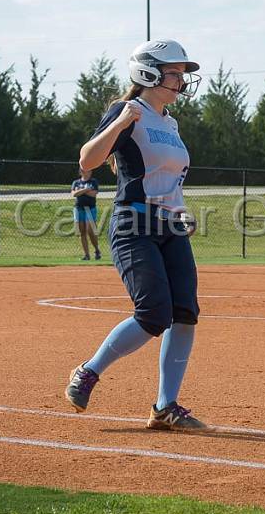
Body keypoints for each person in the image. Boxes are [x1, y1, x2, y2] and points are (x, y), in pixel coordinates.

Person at [64, 39, 207, 431]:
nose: (181, 80)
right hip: (134, 226)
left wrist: (180, 212)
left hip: (170, 227)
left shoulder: (171, 124)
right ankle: (89, 372)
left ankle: (165, 407)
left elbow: (168, 179)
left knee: (185, 314)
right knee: (153, 314)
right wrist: (121, 122)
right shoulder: (129, 112)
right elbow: (88, 160)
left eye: (181, 73)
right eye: (174, 72)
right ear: (149, 73)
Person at [71, 167, 101, 260]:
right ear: (80, 172)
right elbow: (74, 194)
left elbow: (94, 193)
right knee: (82, 232)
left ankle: (96, 250)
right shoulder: (76, 182)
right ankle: (86, 255)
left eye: (88, 170)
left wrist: (80, 192)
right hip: (79, 208)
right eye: (84, 170)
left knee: (90, 230)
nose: (87, 172)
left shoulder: (93, 181)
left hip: (90, 208)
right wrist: (86, 190)